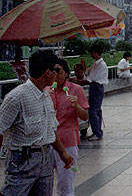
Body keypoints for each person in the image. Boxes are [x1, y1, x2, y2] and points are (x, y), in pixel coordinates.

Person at [0, 51, 74, 195]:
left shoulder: (45, 96)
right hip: (22, 161)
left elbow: (51, 129)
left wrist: (63, 153)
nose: (57, 74)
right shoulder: (16, 97)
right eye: (56, 70)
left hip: (45, 159)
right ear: (48, 72)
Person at [46, 58, 89, 196]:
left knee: (65, 183)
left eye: (58, 71)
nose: (55, 75)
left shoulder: (76, 90)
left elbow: (85, 116)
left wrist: (76, 106)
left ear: (66, 73)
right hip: (47, 142)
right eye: (52, 72)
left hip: (67, 142)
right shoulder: (46, 91)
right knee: (44, 182)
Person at [86, 45, 108, 141]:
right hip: (94, 86)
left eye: (92, 53)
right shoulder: (96, 63)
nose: (91, 55)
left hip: (97, 87)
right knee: (96, 110)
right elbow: (88, 72)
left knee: (93, 110)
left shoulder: (101, 65)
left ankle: (97, 132)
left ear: (96, 53)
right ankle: (97, 131)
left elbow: (92, 78)